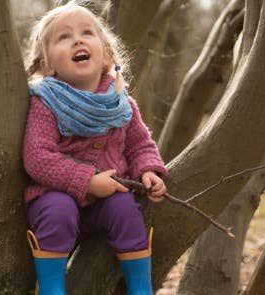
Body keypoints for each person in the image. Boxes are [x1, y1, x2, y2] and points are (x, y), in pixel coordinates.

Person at [22, 2, 168, 295]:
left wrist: (150, 171)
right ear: (46, 66)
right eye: (64, 37)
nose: (78, 40)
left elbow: (140, 145)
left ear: (107, 55)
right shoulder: (46, 102)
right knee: (57, 212)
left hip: (106, 201)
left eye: (87, 33)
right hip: (55, 196)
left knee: (126, 210)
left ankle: (140, 287)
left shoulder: (121, 104)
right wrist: (87, 180)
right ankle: (51, 288)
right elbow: (37, 157)